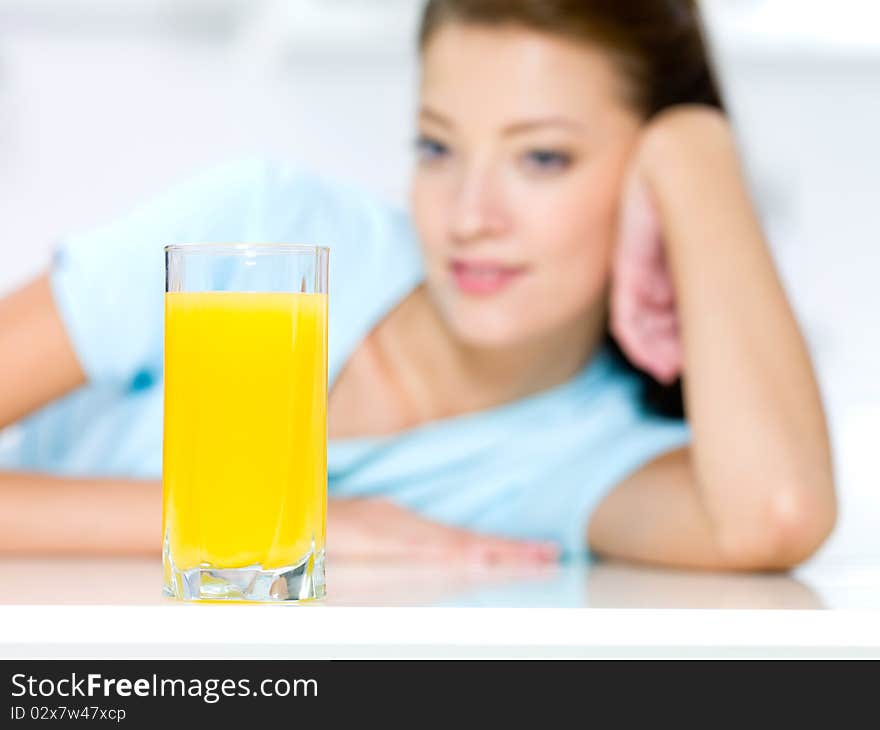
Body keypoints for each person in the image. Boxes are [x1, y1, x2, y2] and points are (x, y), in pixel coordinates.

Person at [0, 0, 835, 569]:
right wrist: (296, 525)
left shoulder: (585, 452)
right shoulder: (260, 231)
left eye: (542, 157)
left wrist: (695, 147)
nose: (470, 214)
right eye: (437, 148)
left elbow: (779, 510)